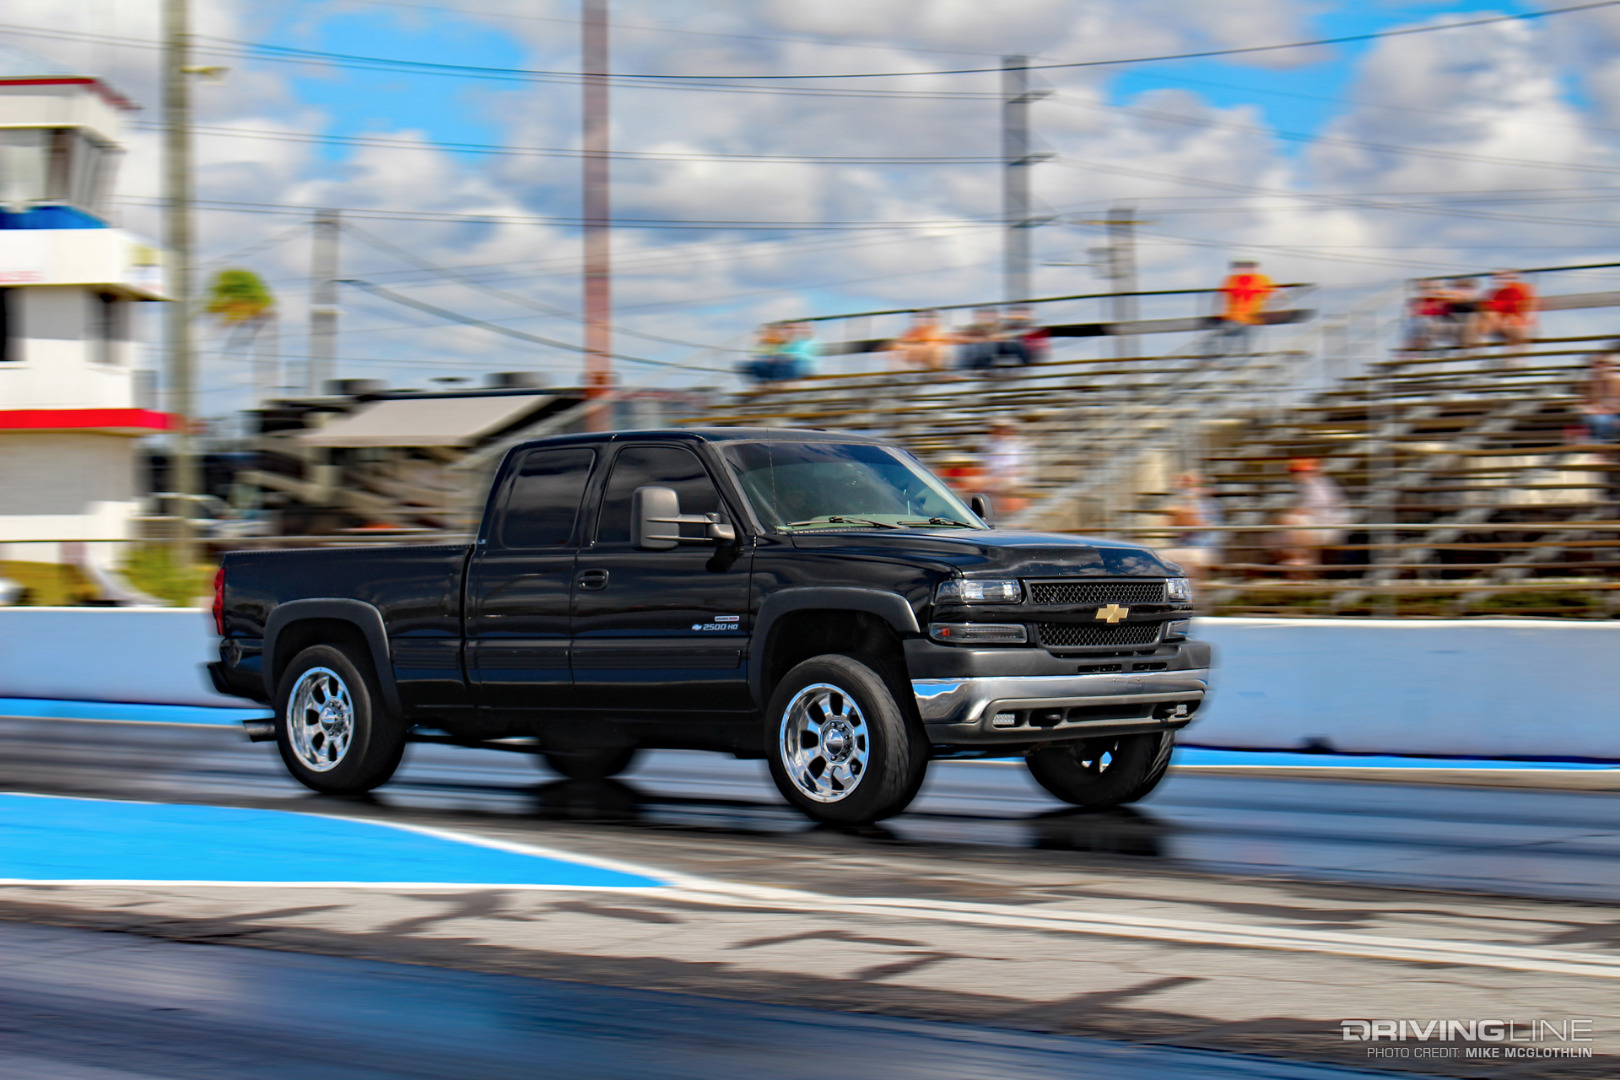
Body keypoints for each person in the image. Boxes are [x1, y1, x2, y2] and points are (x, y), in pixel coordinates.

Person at [1269, 458, 1349, 572]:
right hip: (1315, 526)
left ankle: (1304, 560)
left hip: (1328, 528)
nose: (1297, 475)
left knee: (1293, 521)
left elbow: (1310, 510)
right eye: (1294, 472)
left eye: (1301, 471)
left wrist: (1286, 516)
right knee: (1275, 535)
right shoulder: (1303, 486)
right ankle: (1294, 569)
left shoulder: (1321, 485)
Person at [1160, 471, 1223, 590]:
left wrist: (1183, 511)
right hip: (1185, 549)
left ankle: (1190, 600)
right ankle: (1186, 600)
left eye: (1187, 484)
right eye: (1182, 484)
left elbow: (1197, 523)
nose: (1184, 488)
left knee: (1186, 564)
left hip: (1204, 549)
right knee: (1166, 560)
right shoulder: (1182, 503)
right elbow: (1167, 526)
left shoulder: (1207, 503)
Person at [1214, 258, 1275, 354]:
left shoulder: (1231, 279)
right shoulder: (1261, 279)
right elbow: (1273, 296)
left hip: (1240, 318)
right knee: (1242, 345)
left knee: (1231, 344)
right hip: (1248, 317)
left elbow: (1219, 298)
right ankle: (1238, 355)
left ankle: (1227, 357)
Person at [1479, 271, 1538, 362]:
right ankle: (1512, 359)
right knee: (1494, 318)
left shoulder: (1519, 290)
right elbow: (1492, 309)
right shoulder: (1495, 294)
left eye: (1507, 278)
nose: (1502, 281)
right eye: (1499, 279)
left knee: (1508, 325)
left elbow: (1523, 308)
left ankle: (1515, 359)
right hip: (1504, 326)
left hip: (1517, 326)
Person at [982, 418, 1030, 514]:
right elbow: (987, 466)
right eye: (997, 429)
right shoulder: (989, 446)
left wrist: (999, 477)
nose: (999, 432)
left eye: (1003, 429)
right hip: (995, 479)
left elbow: (1021, 469)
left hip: (1010, 479)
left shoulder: (1018, 446)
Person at [1580, 350, 1620, 445]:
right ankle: (1602, 450)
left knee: (1600, 422)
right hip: (1603, 418)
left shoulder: (1617, 382)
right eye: (1597, 364)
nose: (1600, 367)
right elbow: (1586, 405)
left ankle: (1604, 450)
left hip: (1614, 417)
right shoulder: (1591, 384)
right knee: (1596, 421)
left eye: (1604, 364)